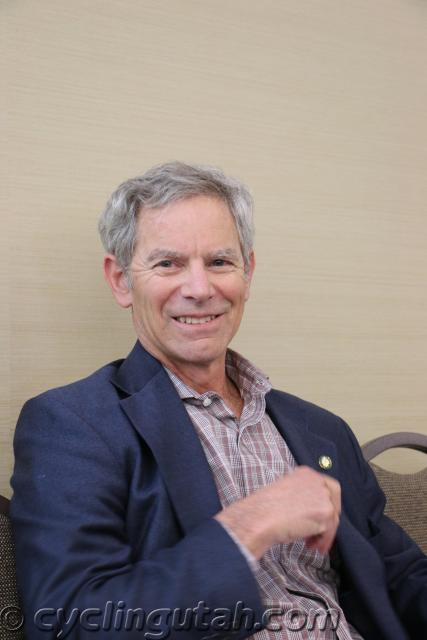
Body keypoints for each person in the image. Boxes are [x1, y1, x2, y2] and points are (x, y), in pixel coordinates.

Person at [11, 162, 426, 640]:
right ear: (121, 280)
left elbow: (399, 575)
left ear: (247, 272)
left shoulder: (321, 428)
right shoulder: (72, 424)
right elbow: (68, 622)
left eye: (219, 262)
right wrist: (249, 525)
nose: (199, 289)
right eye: (167, 264)